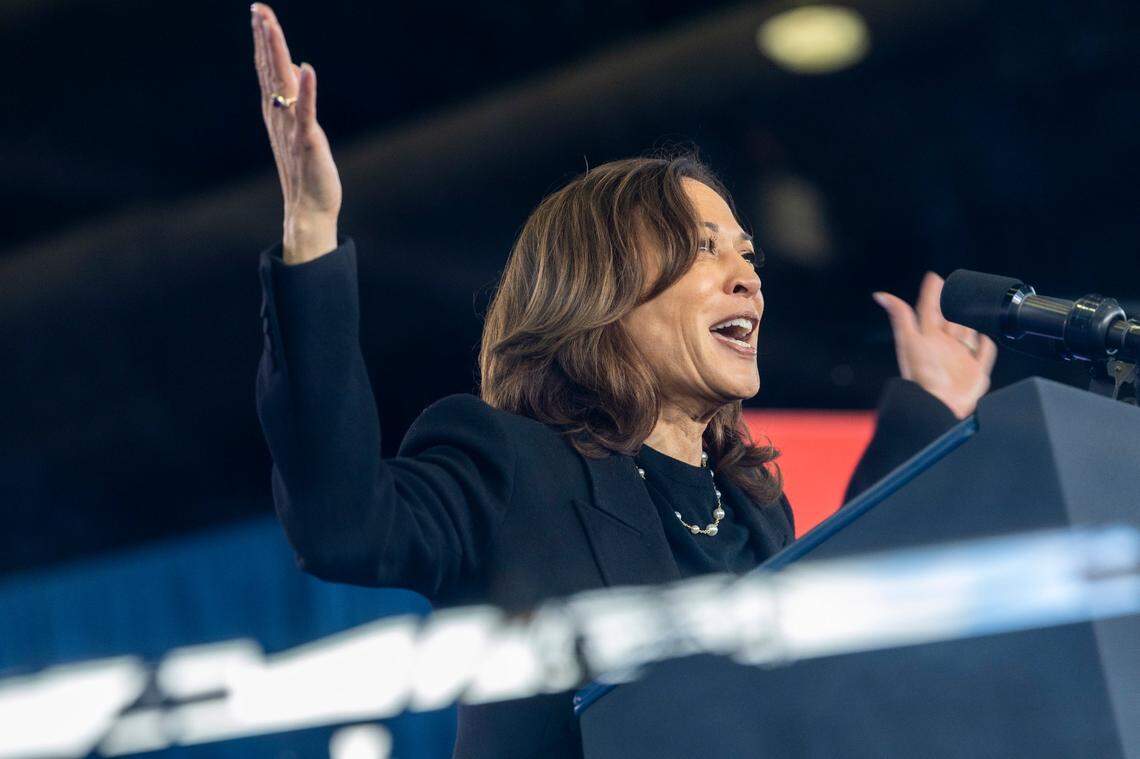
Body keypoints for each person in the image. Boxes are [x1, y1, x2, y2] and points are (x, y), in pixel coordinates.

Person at [248, 4, 998, 757]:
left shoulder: (754, 515)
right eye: (705, 250)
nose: (747, 279)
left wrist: (927, 412)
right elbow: (341, 523)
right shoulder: (511, 466)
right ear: (600, 288)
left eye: (747, 254)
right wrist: (310, 235)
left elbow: (841, 610)